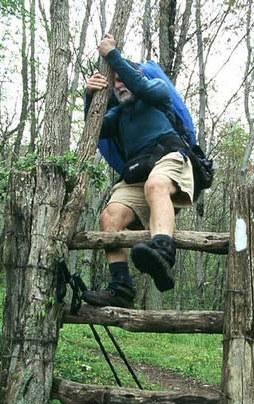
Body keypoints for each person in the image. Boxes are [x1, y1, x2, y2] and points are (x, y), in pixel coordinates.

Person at [82, 34, 194, 309]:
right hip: (136, 174)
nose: (119, 84)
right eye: (115, 82)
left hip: (169, 159)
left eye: (123, 78)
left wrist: (112, 56)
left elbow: (144, 86)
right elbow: (94, 128)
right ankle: (121, 286)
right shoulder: (117, 115)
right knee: (109, 218)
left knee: (155, 185)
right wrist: (90, 96)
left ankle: (162, 255)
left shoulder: (156, 93)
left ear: (133, 75)